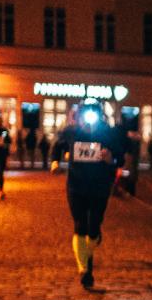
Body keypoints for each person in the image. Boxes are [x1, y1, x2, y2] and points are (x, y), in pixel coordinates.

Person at [53, 101, 125, 289]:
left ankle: (92, 243)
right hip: (76, 186)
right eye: (85, 115)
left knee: (93, 229)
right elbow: (57, 146)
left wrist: (111, 159)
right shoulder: (72, 132)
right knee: (80, 225)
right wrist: (55, 162)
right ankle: (84, 269)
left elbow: (120, 158)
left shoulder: (108, 134)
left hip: (99, 187)